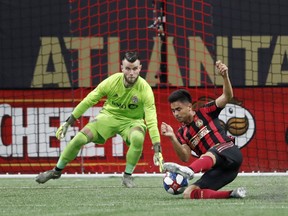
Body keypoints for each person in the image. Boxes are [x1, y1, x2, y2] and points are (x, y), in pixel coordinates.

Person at [36, 51, 164, 188]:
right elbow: (89, 100)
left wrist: (157, 148)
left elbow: (151, 120)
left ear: (140, 68)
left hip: (132, 122)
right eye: (127, 69)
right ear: (121, 68)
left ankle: (127, 176)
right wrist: (69, 122)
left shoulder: (145, 90)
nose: (131, 73)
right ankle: (56, 171)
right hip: (108, 117)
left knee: (138, 138)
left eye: (134, 69)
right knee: (79, 138)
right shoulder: (111, 81)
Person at [161, 60, 246, 199]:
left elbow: (227, 96)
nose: (175, 114)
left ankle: (189, 170)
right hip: (224, 170)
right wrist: (172, 137)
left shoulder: (205, 111)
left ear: (189, 107)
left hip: (230, 152)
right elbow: (185, 156)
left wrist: (225, 76)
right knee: (189, 193)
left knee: (212, 152)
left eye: (178, 109)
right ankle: (232, 194)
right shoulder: (182, 133)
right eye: (173, 111)